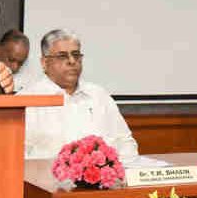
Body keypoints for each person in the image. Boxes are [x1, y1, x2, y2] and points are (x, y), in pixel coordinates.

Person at [18, 28, 139, 163]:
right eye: (62, 56)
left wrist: (116, 171)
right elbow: (17, 154)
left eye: (76, 55)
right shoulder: (27, 100)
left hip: (103, 182)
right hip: (44, 181)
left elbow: (125, 143)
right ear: (44, 63)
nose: (72, 61)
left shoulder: (99, 96)